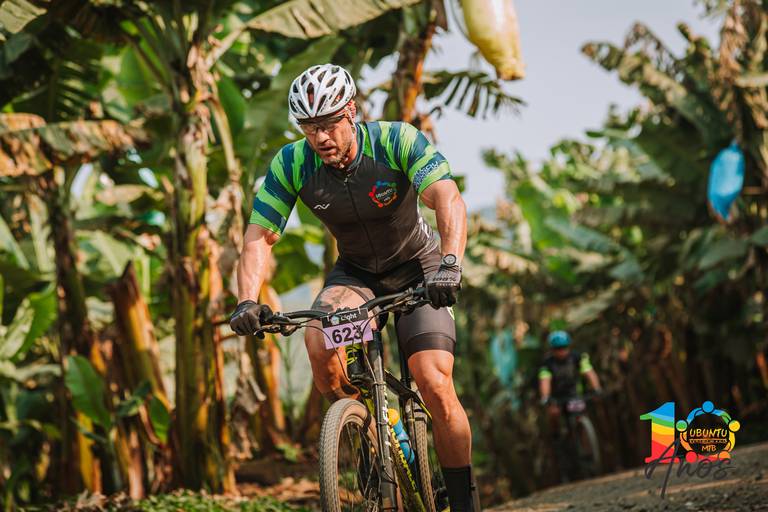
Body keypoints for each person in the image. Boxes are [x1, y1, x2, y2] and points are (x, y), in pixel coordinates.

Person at [229, 64, 478, 511]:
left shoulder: (395, 140)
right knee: (318, 343)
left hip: (419, 268)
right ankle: (370, 430)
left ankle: (463, 503)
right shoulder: (292, 163)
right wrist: (247, 299)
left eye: (328, 124)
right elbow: (259, 237)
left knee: (433, 381)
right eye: (309, 127)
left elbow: (447, 197)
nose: (320, 137)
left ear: (351, 111)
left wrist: (449, 265)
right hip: (357, 275)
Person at [538, 330, 602, 433]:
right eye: (558, 348)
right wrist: (546, 397)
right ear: (552, 350)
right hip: (556, 397)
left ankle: (584, 435)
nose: (561, 351)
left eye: (564, 347)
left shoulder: (577, 357)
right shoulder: (547, 363)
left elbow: (589, 372)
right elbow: (545, 381)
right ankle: (556, 436)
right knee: (554, 414)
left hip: (574, 393)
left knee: (581, 414)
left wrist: (596, 388)